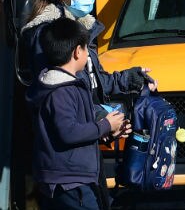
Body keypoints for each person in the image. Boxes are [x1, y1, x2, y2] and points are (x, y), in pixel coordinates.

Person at [21, 0, 157, 208]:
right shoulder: (52, 35)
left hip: (84, 154)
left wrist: (130, 78)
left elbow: (94, 81)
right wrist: (105, 123)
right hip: (66, 165)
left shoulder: (81, 27)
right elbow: (63, 98)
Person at [30, 17, 127, 210]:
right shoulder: (62, 90)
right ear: (77, 52)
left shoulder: (65, 86)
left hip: (69, 180)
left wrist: (106, 135)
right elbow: (69, 132)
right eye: (86, 48)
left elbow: (70, 131)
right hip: (70, 183)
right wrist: (105, 125)